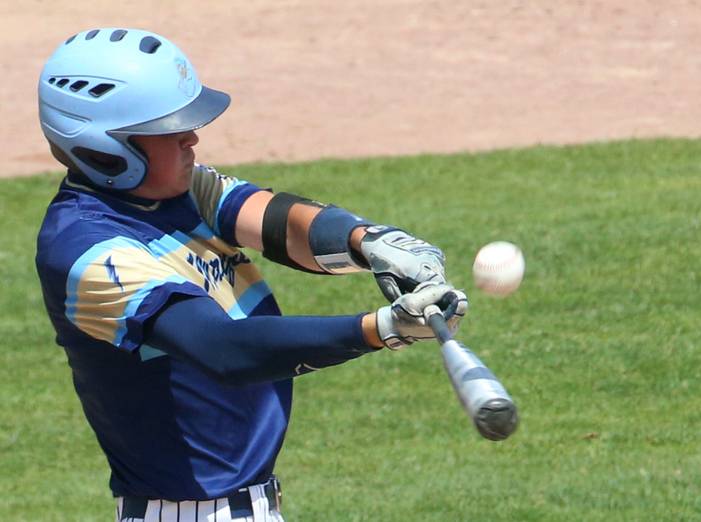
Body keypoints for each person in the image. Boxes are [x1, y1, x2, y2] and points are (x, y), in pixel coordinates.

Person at [35, 28, 467, 522]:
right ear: (103, 149)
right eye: (167, 128)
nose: (191, 138)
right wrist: (381, 329)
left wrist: (369, 243)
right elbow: (224, 350)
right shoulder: (86, 252)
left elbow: (282, 223)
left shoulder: (180, 191)